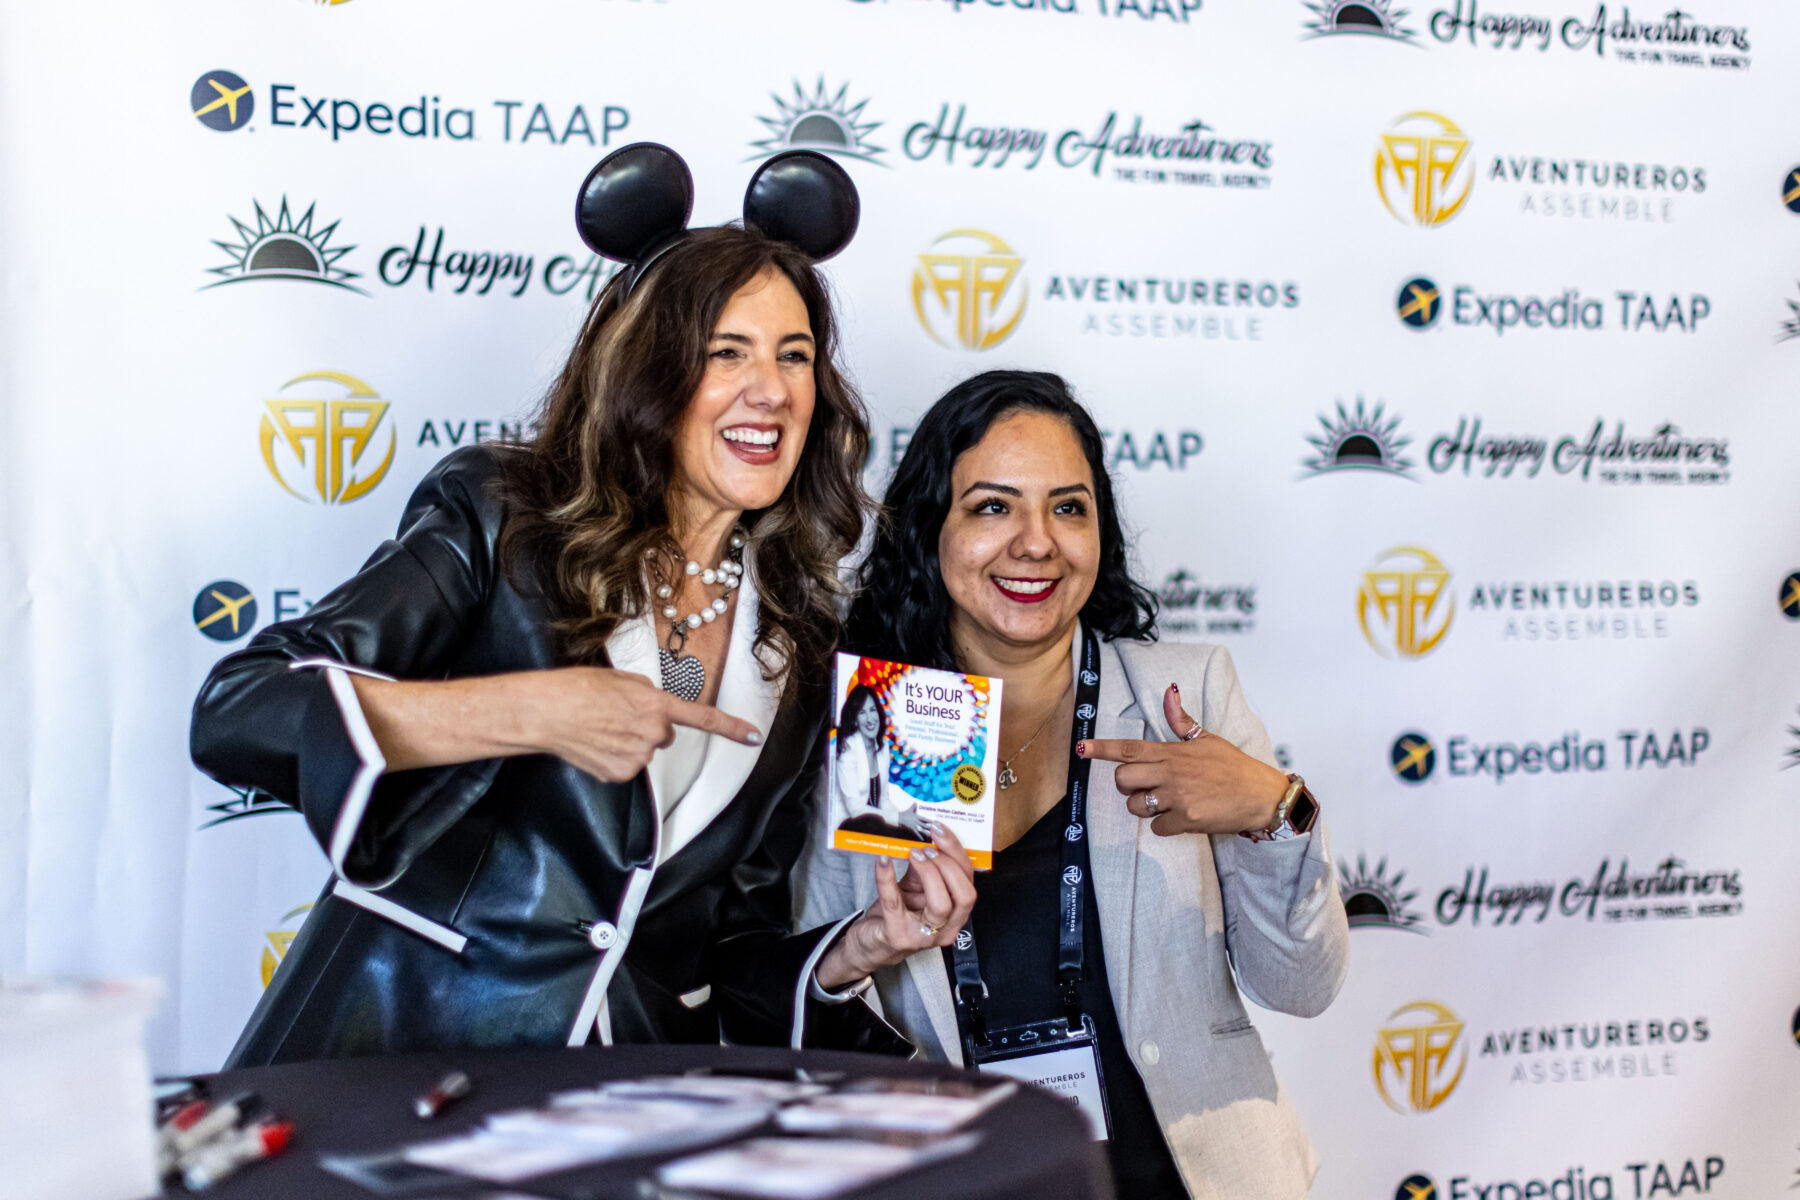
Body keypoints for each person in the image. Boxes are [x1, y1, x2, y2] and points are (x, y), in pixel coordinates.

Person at [190, 146, 973, 1065]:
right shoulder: (502, 514)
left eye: (794, 356)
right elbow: (240, 711)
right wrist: (527, 710)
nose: (771, 389)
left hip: (619, 1099)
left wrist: (862, 947)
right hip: (400, 1050)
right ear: (648, 373)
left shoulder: (803, 642)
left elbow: (727, 946)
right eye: (727, 353)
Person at [799, 370, 1349, 1199]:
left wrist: (1275, 812)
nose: (1035, 542)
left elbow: (1301, 986)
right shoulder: (877, 723)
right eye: (992, 507)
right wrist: (862, 946)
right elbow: (804, 1015)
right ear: (930, 529)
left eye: (1068, 507)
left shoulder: (1181, 698)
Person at [831, 684, 926, 840]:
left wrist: (904, 820)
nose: (870, 719)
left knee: (919, 837)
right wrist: (899, 818)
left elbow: (883, 800)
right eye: (862, 712)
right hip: (850, 824)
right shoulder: (847, 748)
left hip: (877, 825)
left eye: (872, 710)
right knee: (872, 822)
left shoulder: (883, 746)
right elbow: (854, 808)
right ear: (855, 720)